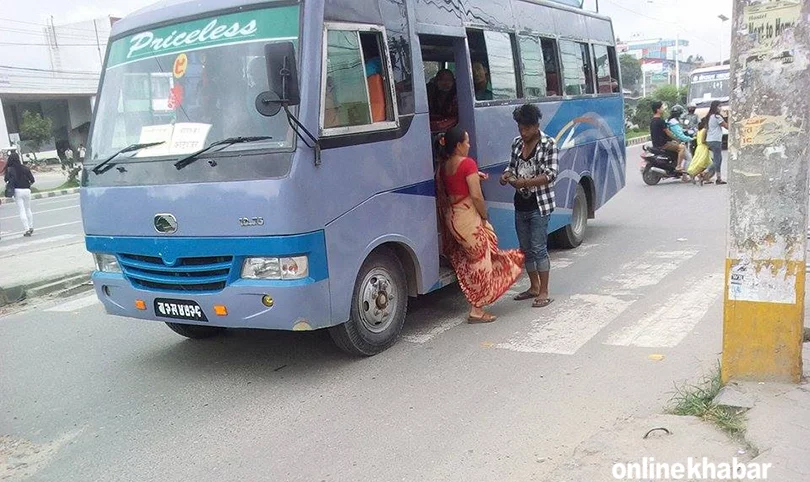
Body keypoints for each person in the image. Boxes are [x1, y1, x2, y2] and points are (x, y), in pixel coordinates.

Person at [435, 126, 524, 323]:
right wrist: (484, 216)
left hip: (454, 217)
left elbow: (457, 186)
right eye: (466, 142)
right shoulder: (467, 163)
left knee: (477, 258)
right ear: (458, 145)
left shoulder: (445, 164)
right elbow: (476, 196)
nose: (469, 145)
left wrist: (476, 176)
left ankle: (477, 301)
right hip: (468, 219)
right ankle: (477, 309)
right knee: (481, 263)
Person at [500, 103, 558, 308]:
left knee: (539, 248)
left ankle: (544, 291)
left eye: (526, 129)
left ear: (536, 126)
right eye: (520, 129)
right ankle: (533, 286)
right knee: (526, 248)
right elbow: (512, 165)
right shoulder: (517, 143)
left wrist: (524, 183)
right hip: (520, 204)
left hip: (539, 205)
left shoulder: (548, 144)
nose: (523, 133)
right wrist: (507, 175)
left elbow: (550, 174)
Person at [4, 152, 35, 237]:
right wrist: (27, 184)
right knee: (28, 209)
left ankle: (27, 229)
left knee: (22, 210)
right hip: (27, 190)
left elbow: (6, 179)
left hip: (17, 191)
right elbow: (32, 180)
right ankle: (31, 226)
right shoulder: (25, 168)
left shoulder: (10, 169)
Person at [649, 101, 686, 169]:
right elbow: (668, 133)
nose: (663, 109)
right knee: (682, 148)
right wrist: (677, 139)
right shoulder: (661, 121)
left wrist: (672, 140)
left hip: (656, 144)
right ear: (658, 110)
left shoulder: (652, 121)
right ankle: (678, 166)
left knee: (675, 145)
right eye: (662, 107)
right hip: (664, 144)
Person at [705, 100, 728, 185]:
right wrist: (726, 117)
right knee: (717, 160)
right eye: (719, 106)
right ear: (715, 107)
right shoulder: (717, 117)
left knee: (718, 159)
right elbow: (727, 126)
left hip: (709, 140)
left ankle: (719, 178)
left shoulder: (709, 116)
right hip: (716, 140)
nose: (720, 108)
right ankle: (705, 172)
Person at [686, 116, 714, 185]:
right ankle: (695, 174)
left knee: (707, 163)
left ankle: (706, 179)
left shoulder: (699, 131)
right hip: (703, 148)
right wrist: (710, 145)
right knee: (702, 163)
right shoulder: (705, 130)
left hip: (699, 148)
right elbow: (703, 141)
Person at [666, 105, 694, 171]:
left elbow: (679, 130)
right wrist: (691, 139)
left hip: (668, 141)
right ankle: (684, 174)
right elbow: (680, 136)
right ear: (679, 114)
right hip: (674, 142)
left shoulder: (668, 121)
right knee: (689, 158)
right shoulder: (673, 123)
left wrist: (685, 130)